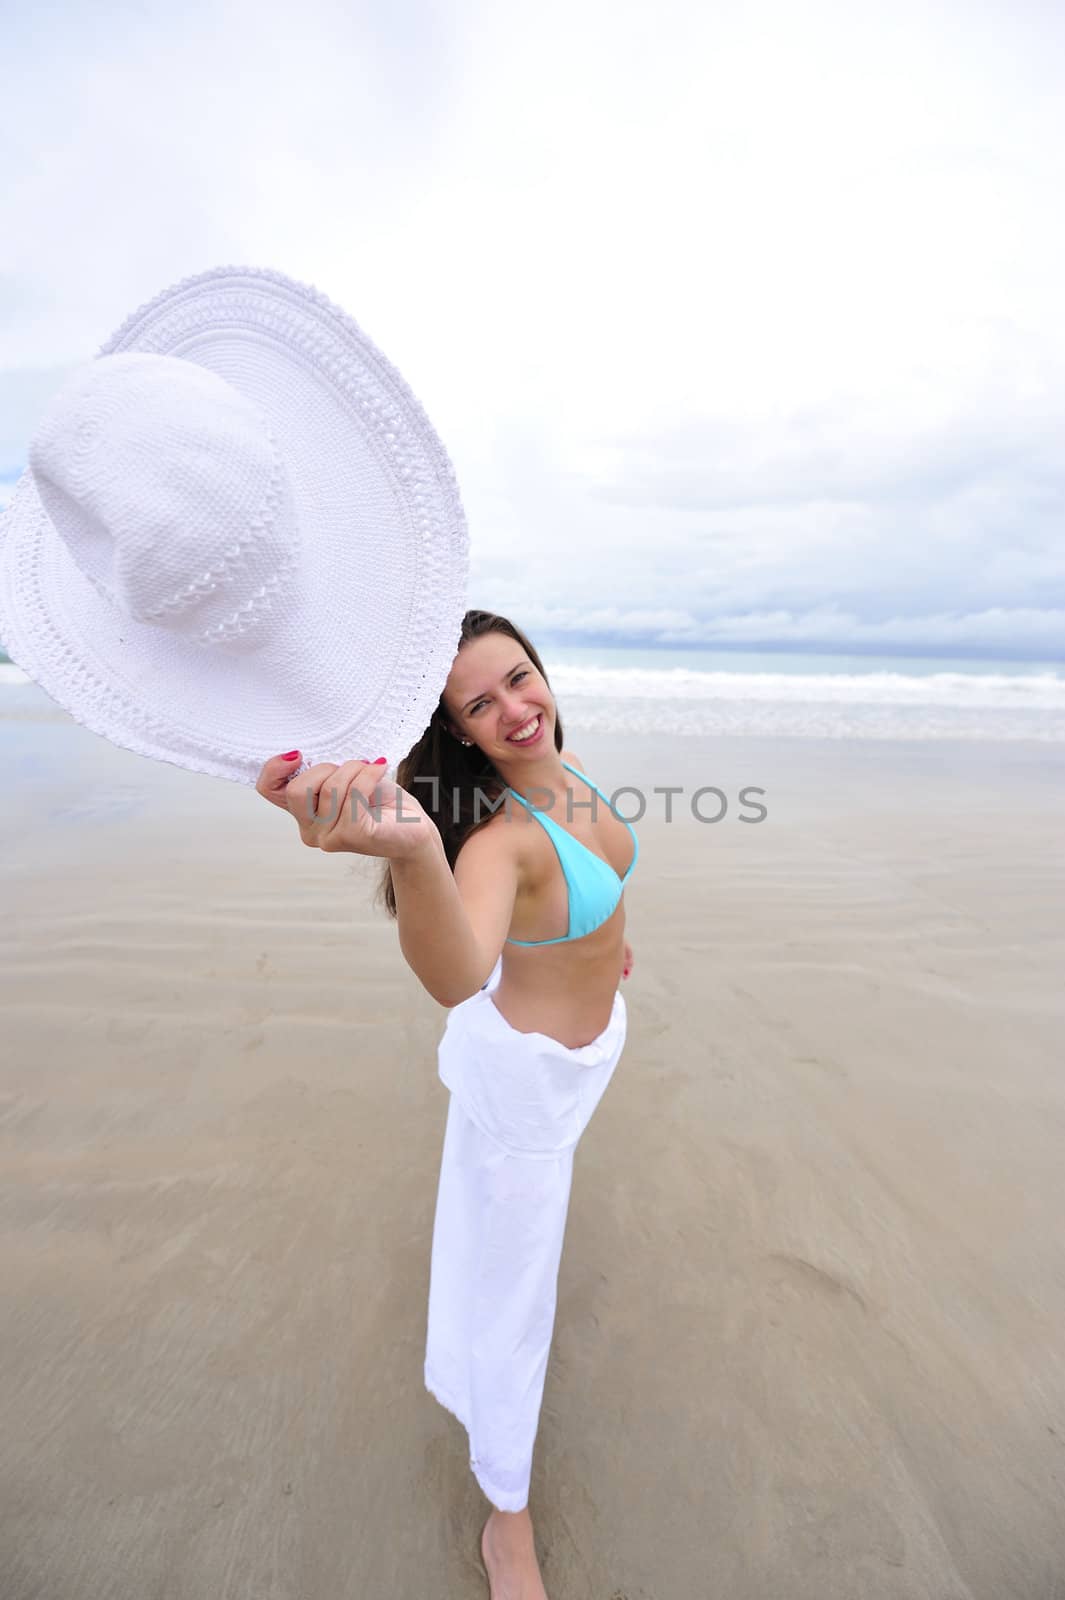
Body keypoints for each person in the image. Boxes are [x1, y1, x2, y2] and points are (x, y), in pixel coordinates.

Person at [255, 608, 637, 1599]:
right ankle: (506, 1519)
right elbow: (463, 970)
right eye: (481, 701)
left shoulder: (570, 768)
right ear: (457, 729)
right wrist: (416, 854)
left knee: (509, 1261)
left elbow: (594, 884)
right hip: (528, 1095)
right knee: (514, 1302)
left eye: (520, 677)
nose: (515, 708)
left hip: (582, 1058)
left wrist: (606, 940)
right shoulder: (495, 847)